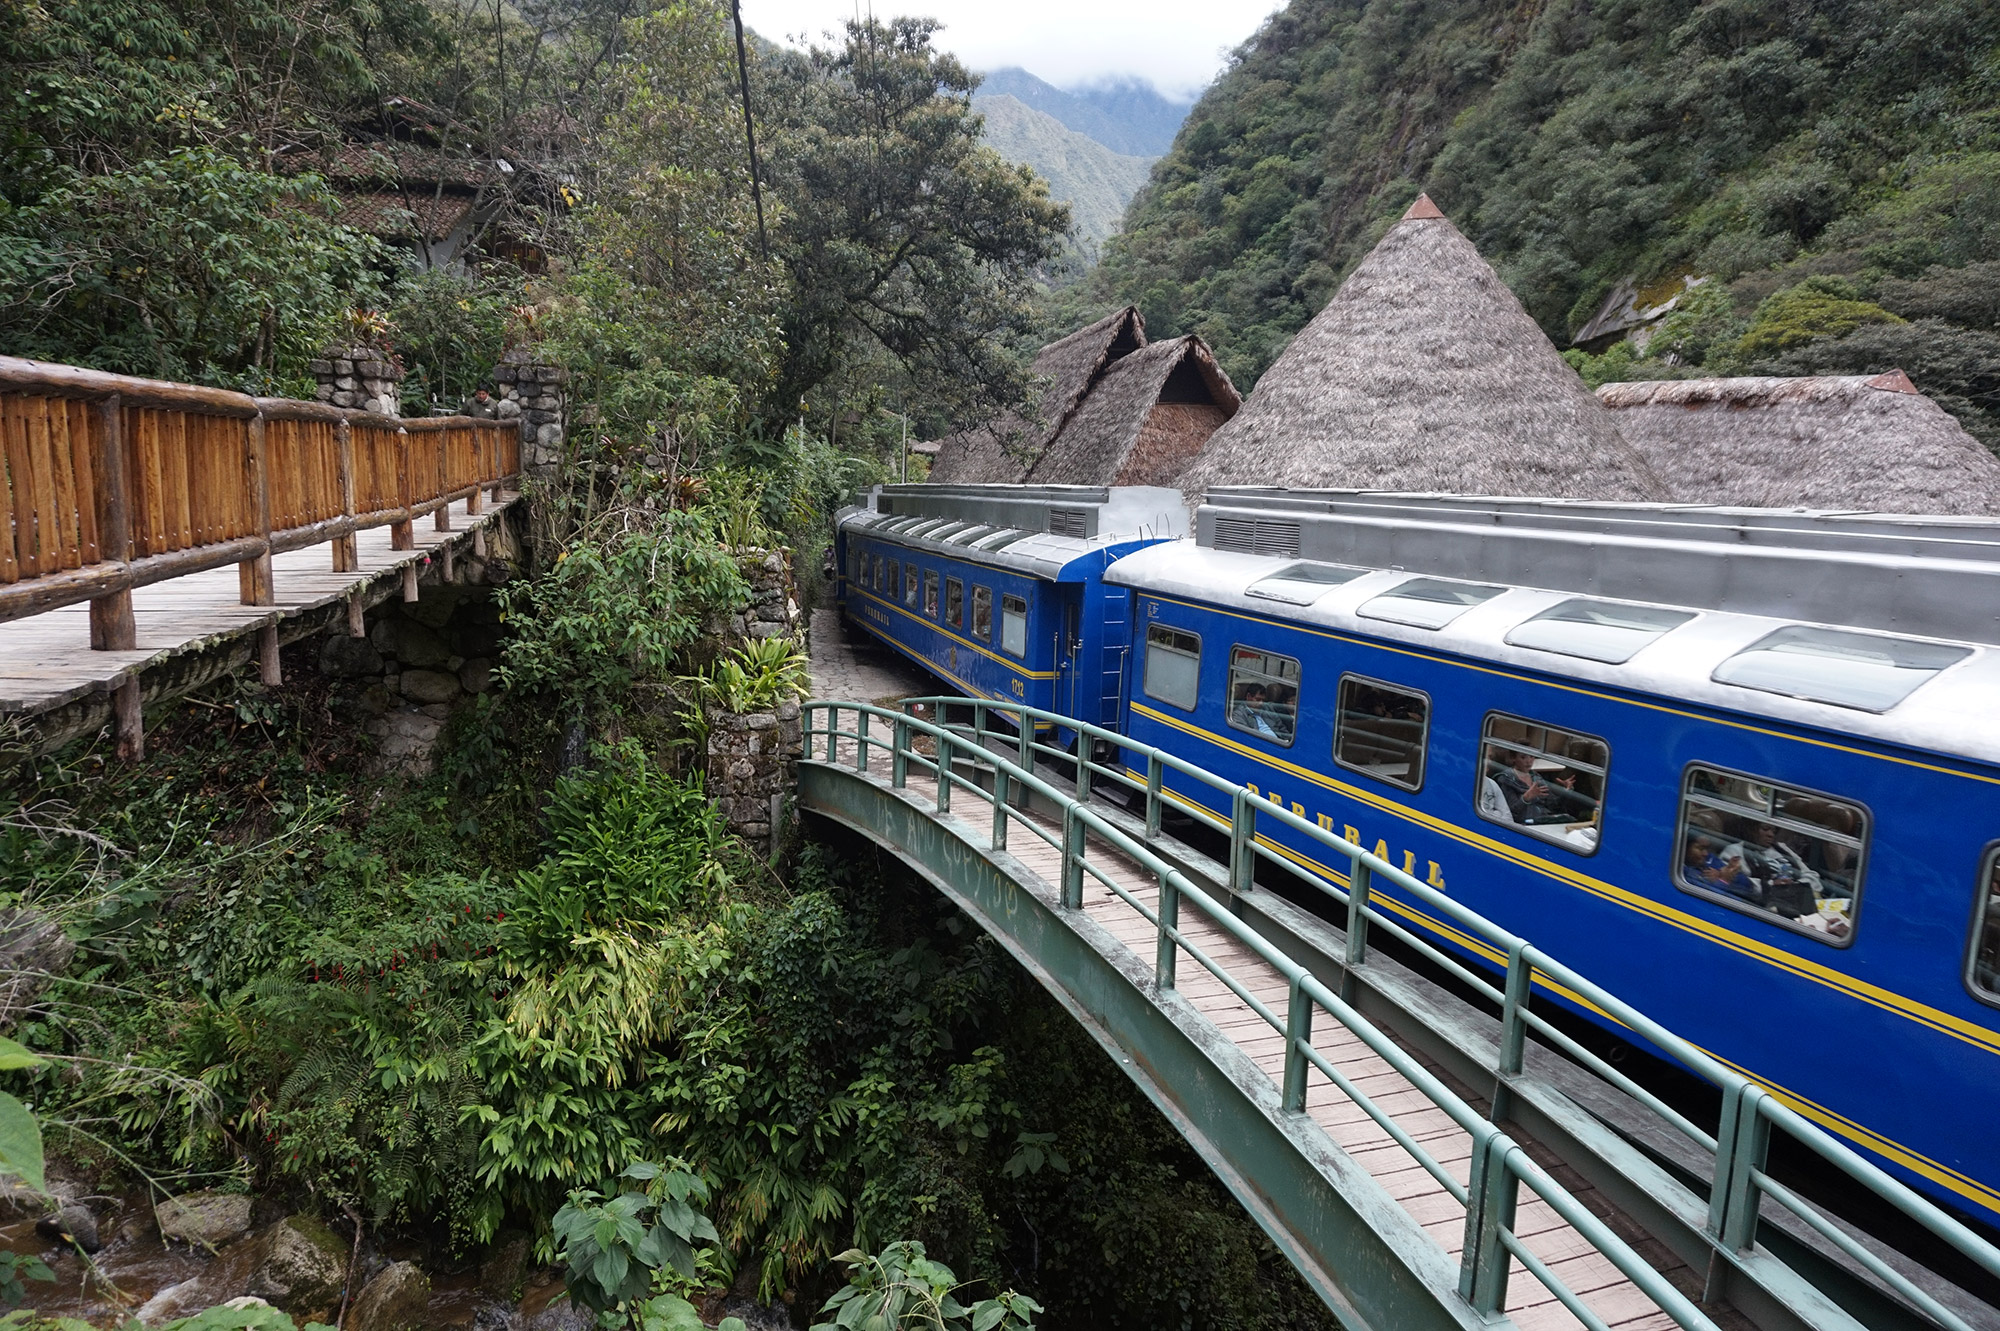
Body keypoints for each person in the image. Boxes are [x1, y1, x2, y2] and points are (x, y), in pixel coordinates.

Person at [1722, 822, 1821, 919]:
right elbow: (1735, 881)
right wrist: (1771, 885)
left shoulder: (1782, 848)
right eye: (1765, 829)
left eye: (1773, 831)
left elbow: (1813, 876)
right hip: (1766, 908)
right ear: (1751, 830)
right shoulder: (1734, 851)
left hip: (1801, 901)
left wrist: (1795, 886)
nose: (1771, 834)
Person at [1682, 835, 1756, 900]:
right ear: (1685, 847)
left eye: (1707, 849)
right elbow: (1709, 901)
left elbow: (1748, 886)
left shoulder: (1709, 859)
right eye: (1700, 849)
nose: (1705, 853)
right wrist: (1723, 880)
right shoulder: (1682, 873)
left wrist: (1728, 873)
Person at [1489, 749, 1552, 822]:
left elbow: (1552, 804)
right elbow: (1509, 811)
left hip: (1542, 820)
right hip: (1521, 824)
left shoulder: (1536, 777)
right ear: (1513, 759)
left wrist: (1564, 791)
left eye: (1531, 757)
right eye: (1523, 757)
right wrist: (1525, 798)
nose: (1528, 761)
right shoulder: (1506, 779)